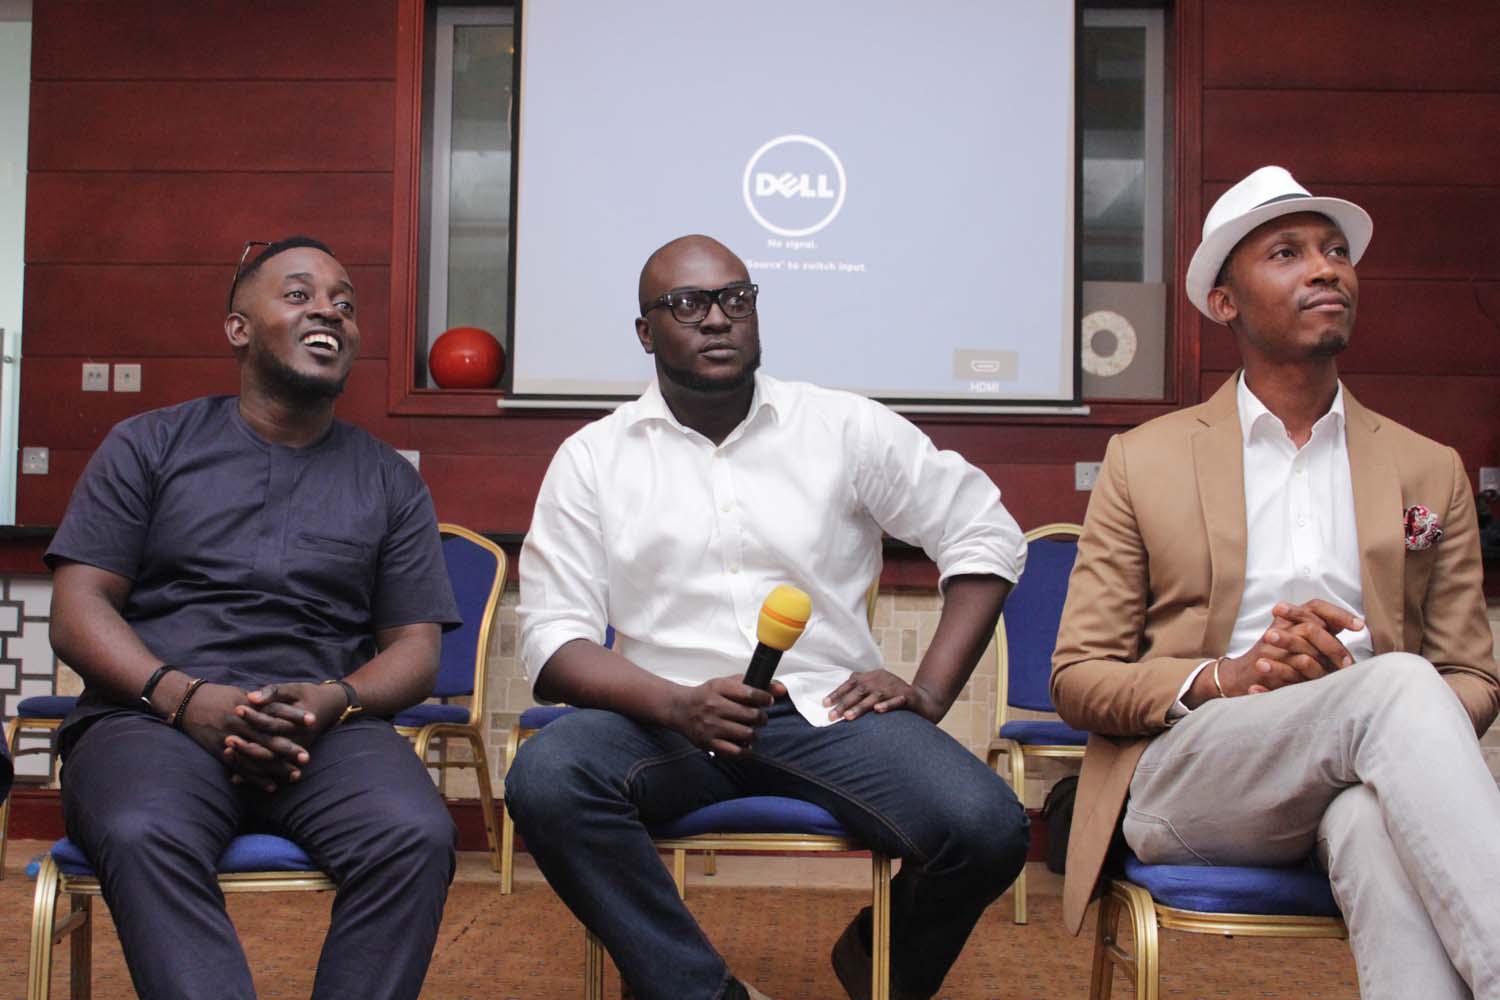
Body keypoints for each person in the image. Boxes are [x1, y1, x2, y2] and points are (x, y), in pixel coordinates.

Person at [507, 235, 1030, 1000]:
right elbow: (552, 639)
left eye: (737, 298)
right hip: (660, 717)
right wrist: (677, 705)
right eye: (688, 304)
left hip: (825, 711)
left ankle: (875, 958)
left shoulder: (842, 427)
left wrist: (930, 691)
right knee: (548, 777)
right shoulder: (594, 458)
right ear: (646, 332)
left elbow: (983, 530)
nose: (718, 317)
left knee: (987, 826)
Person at [1051, 166, 1500, 999]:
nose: (1326, 268)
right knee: (1396, 683)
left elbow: (1472, 674)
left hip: (1364, 774)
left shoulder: (1427, 468)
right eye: (1287, 254)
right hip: (1194, 777)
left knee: (1371, 817)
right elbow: (1078, 679)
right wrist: (1229, 676)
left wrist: (1362, 706)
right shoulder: (1144, 460)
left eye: (1336, 252)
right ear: (1225, 302)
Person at [46, 236, 462, 1000]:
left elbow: (414, 647)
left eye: (344, 303)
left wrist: (334, 699)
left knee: (416, 834)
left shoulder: (388, 481)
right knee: (143, 832)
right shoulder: (148, 445)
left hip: (323, 730)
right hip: (152, 718)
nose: (329, 312)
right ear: (238, 329)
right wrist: (184, 698)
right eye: (300, 295)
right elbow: (78, 610)